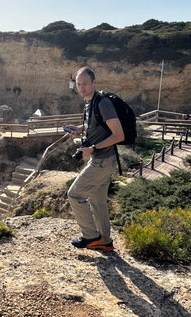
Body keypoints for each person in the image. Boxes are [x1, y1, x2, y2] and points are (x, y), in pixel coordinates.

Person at [65, 67, 124, 251]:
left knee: (74, 195)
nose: (81, 88)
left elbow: (119, 135)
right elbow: (97, 127)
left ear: (94, 82)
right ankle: (105, 241)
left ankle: (90, 236)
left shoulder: (103, 103)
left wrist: (92, 149)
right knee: (98, 202)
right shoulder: (89, 102)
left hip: (102, 161)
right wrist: (79, 129)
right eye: (78, 84)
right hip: (102, 160)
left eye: (85, 84)